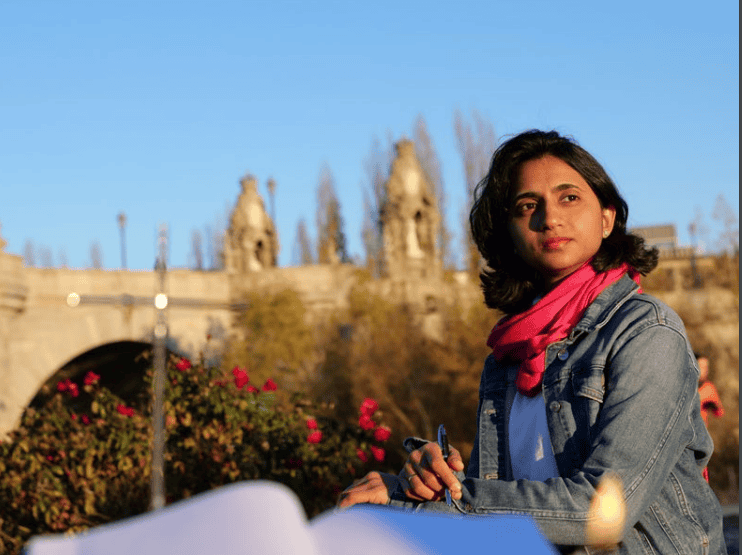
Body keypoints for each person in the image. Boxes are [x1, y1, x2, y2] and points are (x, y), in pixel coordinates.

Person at [338, 130, 727, 554]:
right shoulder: (508, 358)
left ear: (607, 218)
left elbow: (602, 510)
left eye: (569, 198)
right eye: (527, 206)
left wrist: (433, 507)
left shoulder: (646, 331)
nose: (550, 218)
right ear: (509, 231)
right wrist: (426, 484)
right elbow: (506, 508)